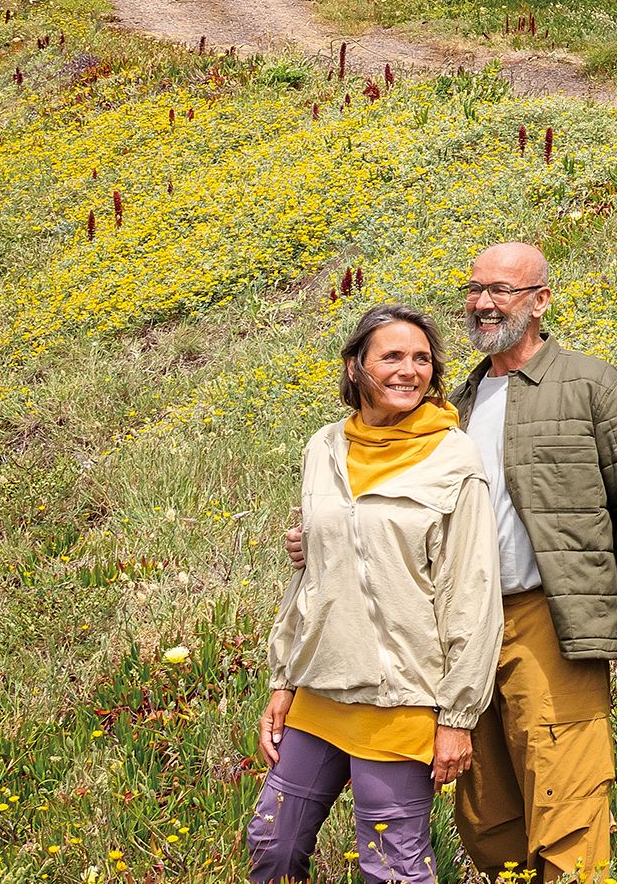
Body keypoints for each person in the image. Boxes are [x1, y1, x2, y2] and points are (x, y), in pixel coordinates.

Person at [292, 241, 617, 883]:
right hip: (458, 630)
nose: (485, 303)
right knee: (485, 804)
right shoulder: (454, 405)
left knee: (566, 795)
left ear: (541, 301)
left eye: (503, 289)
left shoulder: (589, 385)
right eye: (475, 289)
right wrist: (319, 542)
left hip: (549, 619)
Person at [250, 305, 502, 884]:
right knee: (272, 842)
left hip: (402, 698)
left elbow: (473, 595)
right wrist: (283, 680)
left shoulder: (453, 458)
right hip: (321, 686)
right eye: (391, 356)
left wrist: (457, 717)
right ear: (355, 367)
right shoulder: (324, 447)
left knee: (390, 867)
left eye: (421, 359)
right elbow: (311, 577)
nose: (409, 370)